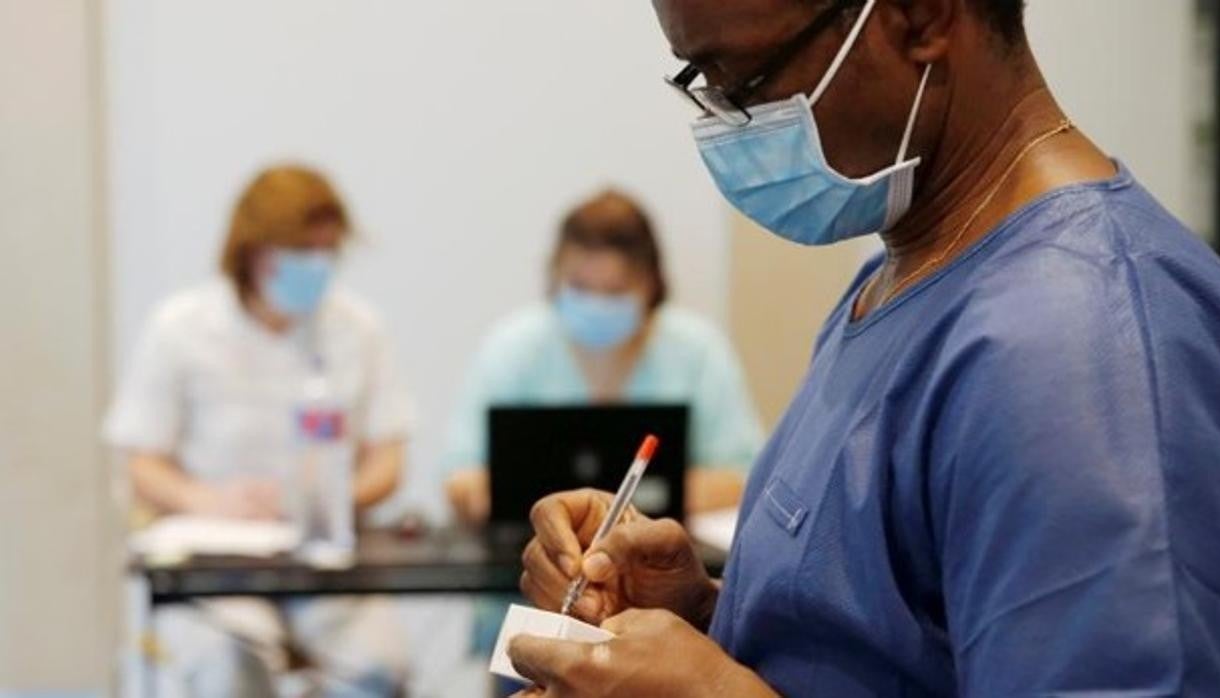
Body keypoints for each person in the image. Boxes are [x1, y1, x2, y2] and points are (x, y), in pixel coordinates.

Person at [508, 1, 1220, 696]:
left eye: (747, 79)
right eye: (702, 81)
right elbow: (905, 641)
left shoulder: (1082, 344)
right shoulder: (906, 276)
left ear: (919, 15)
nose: (730, 123)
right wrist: (704, 617)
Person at [105, 165, 414, 697]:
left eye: (326, 251)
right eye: (299, 252)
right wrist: (205, 499)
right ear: (251, 252)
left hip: (325, 561)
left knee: (378, 667)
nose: (314, 267)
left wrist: (326, 498)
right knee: (231, 666)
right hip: (216, 566)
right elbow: (141, 462)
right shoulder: (181, 327)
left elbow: (387, 461)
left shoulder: (357, 329)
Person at [442, 189, 764, 524]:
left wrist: (615, 506)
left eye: (614, 291)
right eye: (580, 287)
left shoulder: (698, 350)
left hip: (661, 553)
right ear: (555, 275)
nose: (596, 303)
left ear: (651, 283)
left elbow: (743, 476)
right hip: (527, 553)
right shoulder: (512, 348)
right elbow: (460, 477)